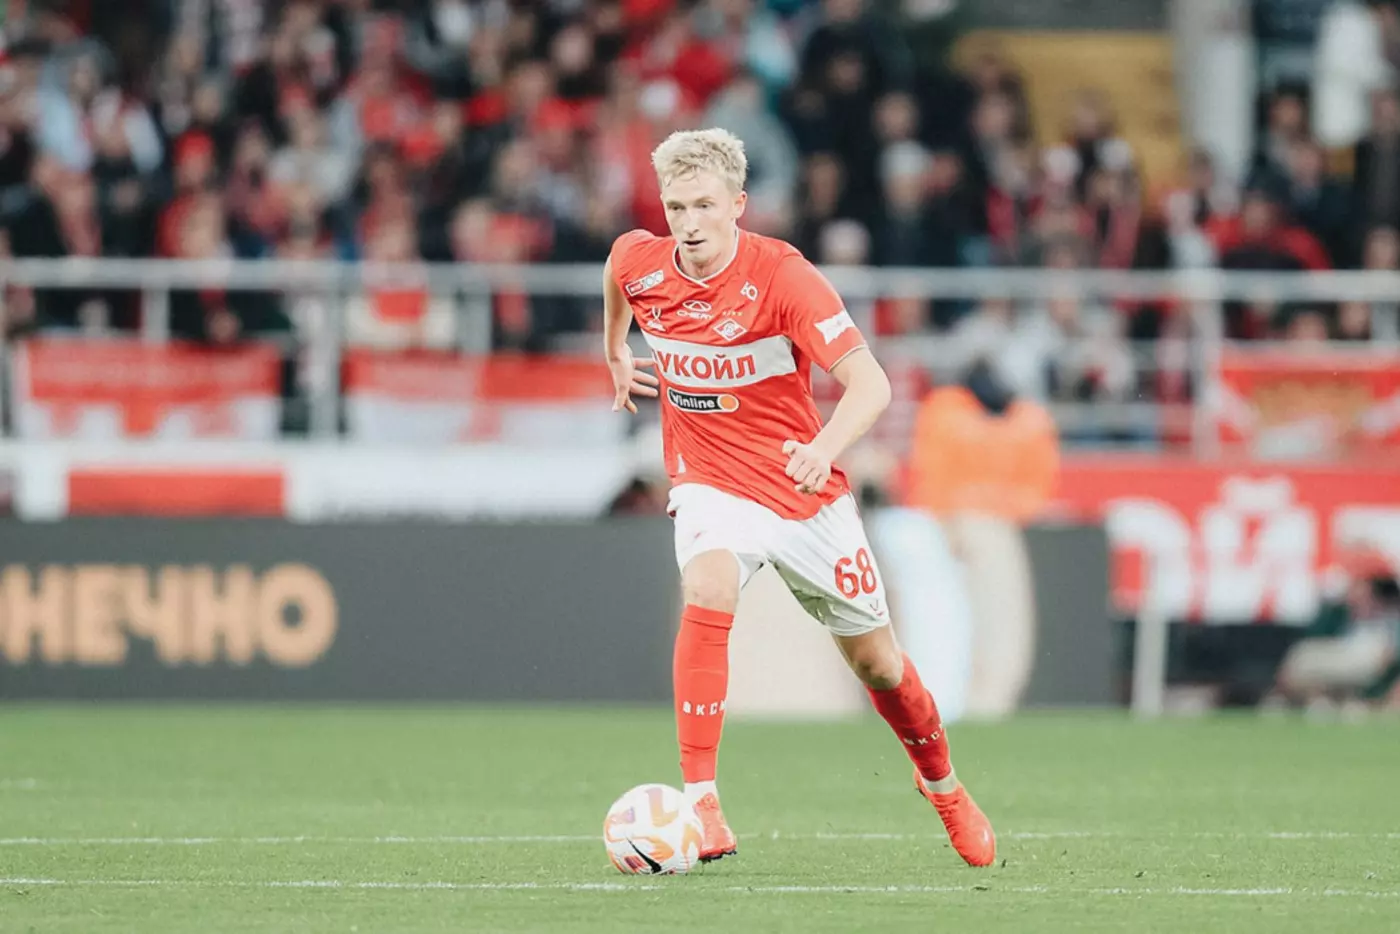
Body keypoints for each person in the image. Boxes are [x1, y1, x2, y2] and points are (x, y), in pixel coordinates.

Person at [601, 127, 995, 867]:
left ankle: (943, 786)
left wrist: (823, 449)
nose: (689, 224)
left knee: (879, 664)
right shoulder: (640, 260)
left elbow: (870, 384)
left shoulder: (784, 277)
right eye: (676, 207)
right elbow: (617, 279)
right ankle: (702, 802)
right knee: (708, 586)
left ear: (738, 205)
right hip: (709, 480)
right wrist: (615, 350)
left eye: (705, 206)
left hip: (799, 487)